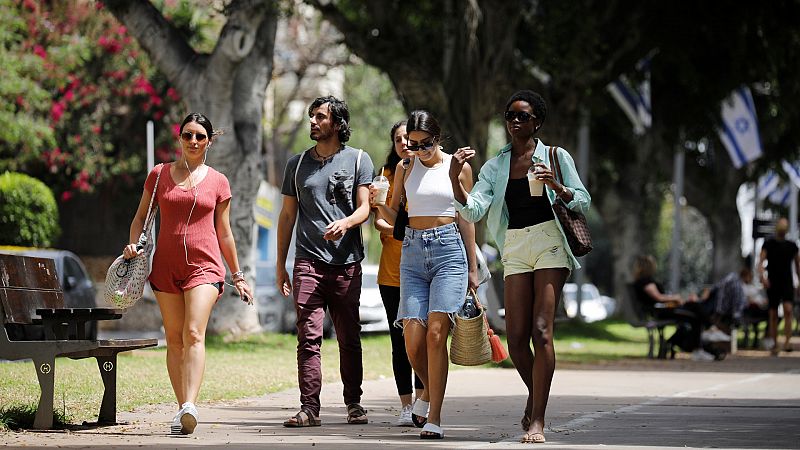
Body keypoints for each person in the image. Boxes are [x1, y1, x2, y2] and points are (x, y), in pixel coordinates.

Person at [448, 90, 590, 444]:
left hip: (550, 242)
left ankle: (537, 420)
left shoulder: (556, 156)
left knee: (542, 330)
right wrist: (455, 178)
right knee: (515, 342)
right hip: (514, 245)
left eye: (522, 116)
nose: (514, 121)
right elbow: (473, 210)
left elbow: (583, 199)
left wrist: (555, 185)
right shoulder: (495, 166)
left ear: (536, 122)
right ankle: (535, 395)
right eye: (510, 115)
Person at [123, 112, 253, 435]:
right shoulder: (159, 175)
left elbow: (224, 233)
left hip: (205, 266)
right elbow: (140, 218)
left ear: (209, 141)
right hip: (165, 267)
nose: (193, 141)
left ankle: (191, 403)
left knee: (194, 332)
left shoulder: (219, 181)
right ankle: (182, 408)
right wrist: (132, 245)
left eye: (200, 136)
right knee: (174, 338)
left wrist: (236, 275)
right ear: (179, 138)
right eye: (187, 135)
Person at [371, 110, 479, 440]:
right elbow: (398, 217)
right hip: (413, 254)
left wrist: (473, 268)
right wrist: (379, 205)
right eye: (412, 144)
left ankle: (435, 417)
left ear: (438, 137)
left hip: (449, 252)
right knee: (412, 342)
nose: (418, 150)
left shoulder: (457, 167)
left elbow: (467, 217)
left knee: (435, 334)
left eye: (425, 143)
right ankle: (429, 391)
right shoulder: (405, 167)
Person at [276, 95, 374, 427]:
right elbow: (287, 217)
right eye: (311, 116)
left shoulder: (360, 159)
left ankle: (354, 403)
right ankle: (309, 408)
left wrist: (345, 223)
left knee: (349, 336)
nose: (313, 122)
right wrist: (280, 264)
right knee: (308, 336)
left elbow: (365, 208)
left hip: (347, 263)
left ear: (337, 122)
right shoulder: (296, 164)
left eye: (320, 116)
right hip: (308, 262)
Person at [373, 120, 424, 426]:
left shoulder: (427, 172)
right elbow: (379, 219)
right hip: (391, 272)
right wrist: (405, 229)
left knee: (421, 337)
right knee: (399, 340)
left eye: (408, 137)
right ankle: (406, 406)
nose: (403, 142)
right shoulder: (385, 176)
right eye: (397, 139)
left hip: (422, 267)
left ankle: (422, 401)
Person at [631, 255, 715, 361]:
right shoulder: (646, 282)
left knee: (693, 307)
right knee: (693, 312)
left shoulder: (641, 281)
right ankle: (705, 337)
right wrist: (675, 297)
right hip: (660, 311)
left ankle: (709, 331)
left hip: (659, 310)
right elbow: (658, 297)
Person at [757, 217, 798, 355]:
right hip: (773, 282)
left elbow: (798, 266)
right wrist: (762, 277)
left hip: (787, 282)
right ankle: (775, 343)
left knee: (788, 309)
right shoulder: (768, 244)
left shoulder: (792, 246)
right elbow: (761, 262)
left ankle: (787, 341)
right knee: (773, 313)